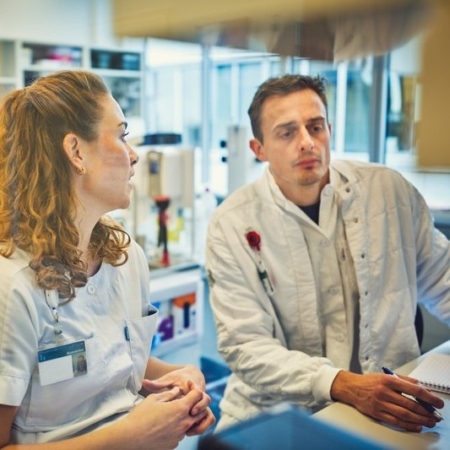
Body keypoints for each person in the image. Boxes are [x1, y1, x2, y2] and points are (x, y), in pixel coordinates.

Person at [205, 74, 450, 433]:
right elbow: (246, 346)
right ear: (259, 149)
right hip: (274, 411)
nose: (307, 142)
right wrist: (340, 383)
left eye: (315, 127)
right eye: (287, 133)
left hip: (388, 408)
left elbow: (444, 280)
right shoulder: (231, 224)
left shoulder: (388, 191)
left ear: (329, 130)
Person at [0, 70, 215, 448]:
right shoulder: (13, 286)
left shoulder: (125, 257)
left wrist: (179, 378)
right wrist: (131, 436)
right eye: (122, 135)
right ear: (76, 152)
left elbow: (108, 362)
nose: (133, 155)